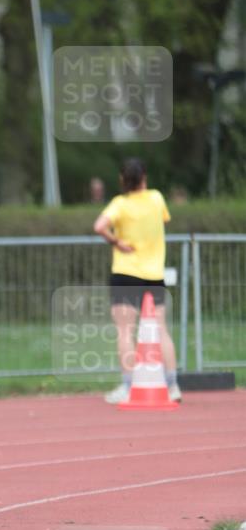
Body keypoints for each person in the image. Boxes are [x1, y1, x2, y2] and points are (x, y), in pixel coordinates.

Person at [93, 158, 181, 404]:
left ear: (123, 180)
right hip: (154, 274)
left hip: (126, 272)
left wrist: (116, 241)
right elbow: (163, 220)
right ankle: (173, 386)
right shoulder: (157, 198)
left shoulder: (120, 204)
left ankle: (128, 386)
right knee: (162, 329)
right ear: (145, 177)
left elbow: (99, 226)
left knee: (125, 331)